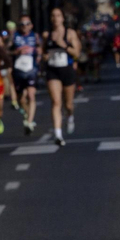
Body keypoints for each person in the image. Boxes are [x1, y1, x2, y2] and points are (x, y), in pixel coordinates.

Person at [44, 8, 81, 146]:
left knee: (68, 104)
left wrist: (64, 46)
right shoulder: (47, 35)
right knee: (56, 101)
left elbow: (77, 52)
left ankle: (70, 115)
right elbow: (43, 52)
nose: (55, 18)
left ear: (63, 18)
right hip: (52, 70)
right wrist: (44, 57)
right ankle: (58, 134)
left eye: (58, 15)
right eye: (53, 15)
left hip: (67, 69)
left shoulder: (70, 33)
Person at [9, 14, 42, 135]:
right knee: (21, 99)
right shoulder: (14, 36)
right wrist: (15, 52)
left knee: (31, 95)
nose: (25, 26)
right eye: (22, 24)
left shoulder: (35, 36)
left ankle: (29, 121)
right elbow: (6, 51)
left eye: (27, 24)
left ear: (31, 25)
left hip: (31, 69)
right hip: (18, 70)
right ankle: (28, 114)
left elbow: (40, 50)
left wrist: (39, 56)